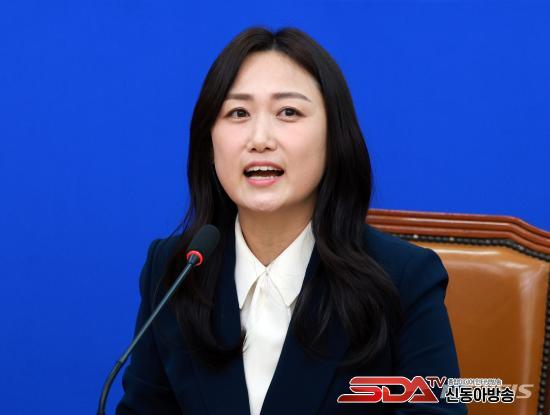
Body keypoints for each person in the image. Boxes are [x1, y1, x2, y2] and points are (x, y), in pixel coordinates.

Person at [116, 27, 466, 415]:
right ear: (209, 143)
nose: (260, 138)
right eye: (238, 113)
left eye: (288, 112)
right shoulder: (176, 271)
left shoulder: (404, 279)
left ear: (334, 137)